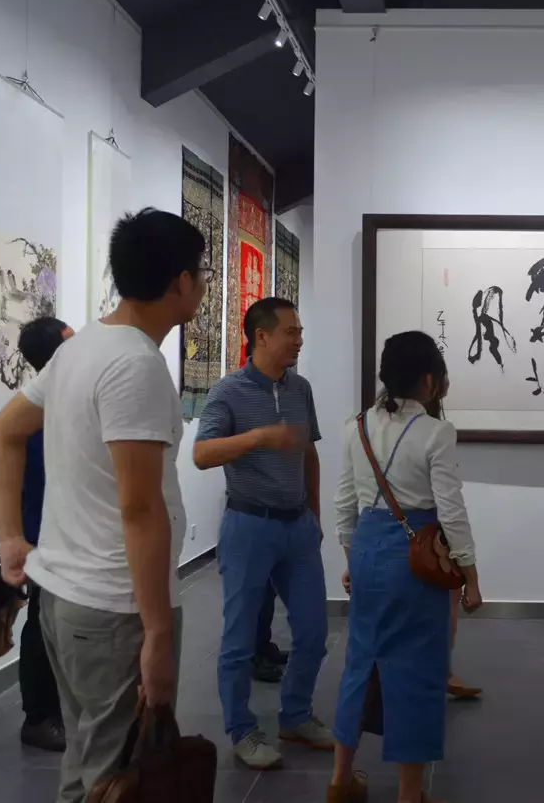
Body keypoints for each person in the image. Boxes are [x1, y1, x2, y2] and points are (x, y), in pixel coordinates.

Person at [0, 208, 203, 802]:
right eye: (202, 274)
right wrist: (157, 633)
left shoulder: (81, 348)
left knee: (88, 768)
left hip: (68, 596)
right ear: (181, 281)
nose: (204, 287)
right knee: (115, 778)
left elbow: (2, 434)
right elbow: (140, 508)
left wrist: (10, 538)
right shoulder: (135, 364)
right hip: (114, 607)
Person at [331, 330, 483, 803]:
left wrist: (353, 559)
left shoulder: (356, 426)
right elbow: (451, 512)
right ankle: (409, 793)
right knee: (416, 671)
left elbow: (344, 504)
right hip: (414, 557)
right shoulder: (437, 433)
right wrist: (470, 575)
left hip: (368, 549)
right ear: (429, 381)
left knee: (360, 664)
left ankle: (340, 780)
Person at [193, 296, 332, 769]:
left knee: (313, 632)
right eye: (291, 331)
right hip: (248, 525)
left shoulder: (300, 389)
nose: (299, 340)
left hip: (298, 527)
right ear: (262, 336)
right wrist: (259, 437)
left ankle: (295, 715)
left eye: (300, 331)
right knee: (239, 641)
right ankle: (242, 730)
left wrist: (315, 514)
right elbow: (202, 454)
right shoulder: (228, 392)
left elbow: (309, 453)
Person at [15, 316, 73, 752]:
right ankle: (37, 717)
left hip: (67, 534)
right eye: (70, 342)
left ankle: (54, 710)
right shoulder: (35, 411)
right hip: (45, 537)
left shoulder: (64, 402)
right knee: (40, 626)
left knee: (56, 625)